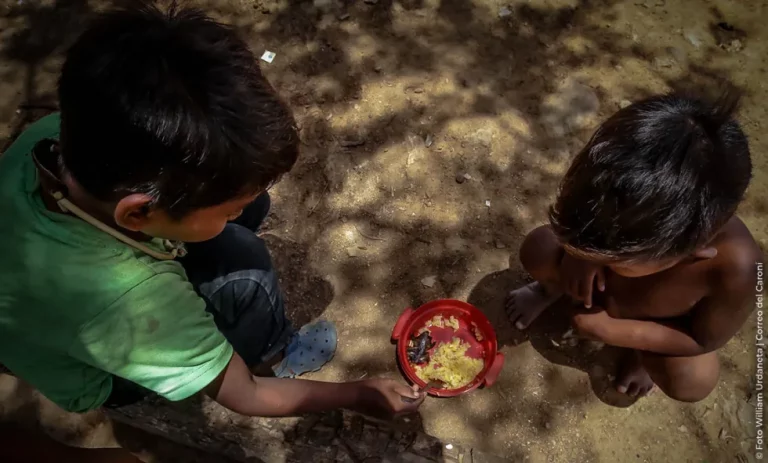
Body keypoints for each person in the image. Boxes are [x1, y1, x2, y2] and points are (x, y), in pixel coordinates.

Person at [0, 3, 424, 434]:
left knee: (251, 211)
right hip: (97, 371)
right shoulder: (132, 302)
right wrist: (359, 394)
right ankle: (274, 355)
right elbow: (247, 395)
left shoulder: (63, 135)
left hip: (60, 291)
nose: (238, 211)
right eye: (228, 209)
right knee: (247, 272)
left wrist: (230, 209)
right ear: (140, 212)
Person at [506, 91, 762, 402]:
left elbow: (701, 339)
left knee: (693, 381)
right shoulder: (620, 186)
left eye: (618, 261)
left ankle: (641, 357)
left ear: (696, 250)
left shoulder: (739, 272)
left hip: (654, 325)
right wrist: (581, 258)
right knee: (539, 248)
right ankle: (548, 291)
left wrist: (612, 332)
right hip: (594, 288)